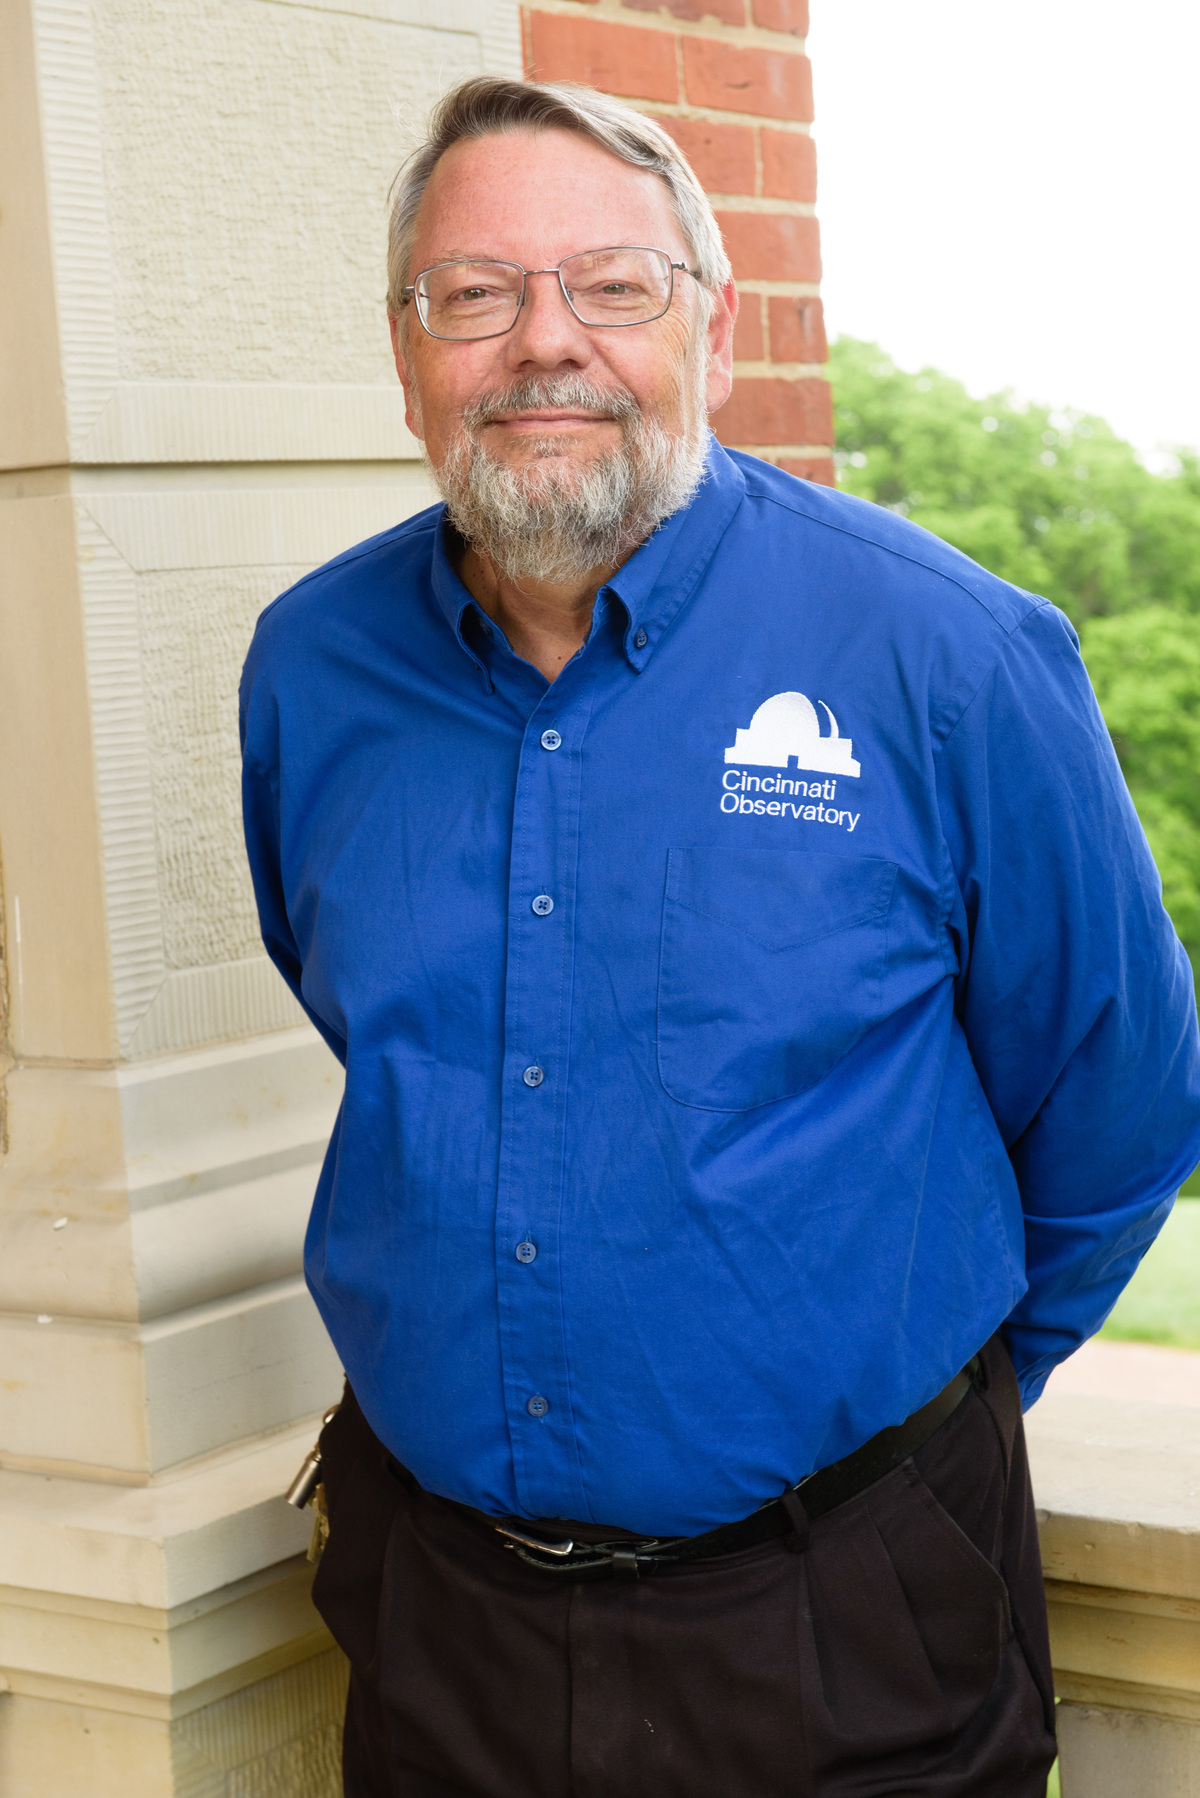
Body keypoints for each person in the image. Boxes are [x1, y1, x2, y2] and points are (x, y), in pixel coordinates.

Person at [240, 75, 1200, 1798]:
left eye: (611, 284)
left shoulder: (947, 656)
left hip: (846, 1631)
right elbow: (372, 1026)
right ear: (407, 351)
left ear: (711, 325)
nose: (547, 342)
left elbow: (1122, 1099)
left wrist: (903, 1443)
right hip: (436, 1621)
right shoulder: (311, 674)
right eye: (476, 293)